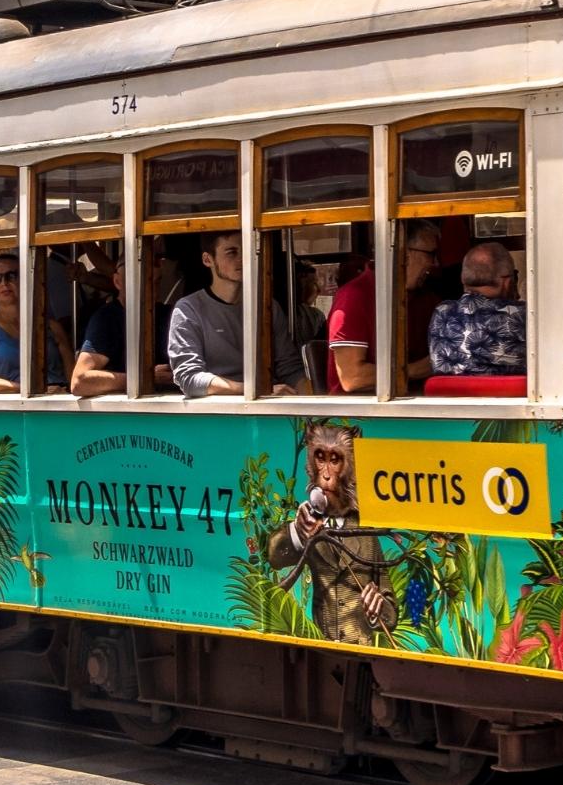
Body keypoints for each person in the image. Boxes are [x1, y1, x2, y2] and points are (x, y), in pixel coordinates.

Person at [267, 421, 392, 644]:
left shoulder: (365, 530)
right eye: (320, 458)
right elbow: (275, 558)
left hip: (362, 648)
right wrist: (297, 532)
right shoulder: (306, 520)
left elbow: (391, 610)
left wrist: (378, 608)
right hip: (320, 644)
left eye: (335, 460)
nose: (325, 474)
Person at [166, 230, 305, 398]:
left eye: (246, 250)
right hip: (218, 414)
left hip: (268, 406)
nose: (242, 258)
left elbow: (289, 368)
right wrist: (255, 390)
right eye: (232, 252)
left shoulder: (268, 307)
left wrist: (314, 396)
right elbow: (189, 379)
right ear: (207, 259)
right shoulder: (188, 309)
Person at [326, 220, 441, 393]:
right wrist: (415, 370)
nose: (435, 263)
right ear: (404, 254)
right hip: (360, 414)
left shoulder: (426, 299)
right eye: (431, 254)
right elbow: (353, 377)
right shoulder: (354, 297)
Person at [0, 258, 74, 396]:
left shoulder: (52, 326)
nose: (4, 283)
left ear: (26, 280)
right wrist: (32, 390)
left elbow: (73, 378)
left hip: (58, 404)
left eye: (11, 276)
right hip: (12, 408)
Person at [428, 242, 526, 377]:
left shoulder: (442, 313)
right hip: (507, 397)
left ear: (464, 279)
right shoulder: (522, 316)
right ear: (507, 282)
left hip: (450, 397)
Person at [71, 262, 130, 399]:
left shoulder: (166, 314)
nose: (150, 287)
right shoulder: (107, 318)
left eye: (156, 282)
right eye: (141, 280)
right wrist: (143, 379)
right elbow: (80, 381)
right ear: (117, 282)